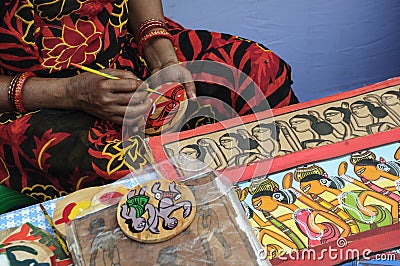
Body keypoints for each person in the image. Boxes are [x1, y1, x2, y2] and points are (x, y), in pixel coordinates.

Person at [0, 0, 298, 201]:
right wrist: (72, 92)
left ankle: (277, 201)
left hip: (126, 50)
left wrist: (161, 55)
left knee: (259, 70)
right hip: (34, 95)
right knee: (132, 167)